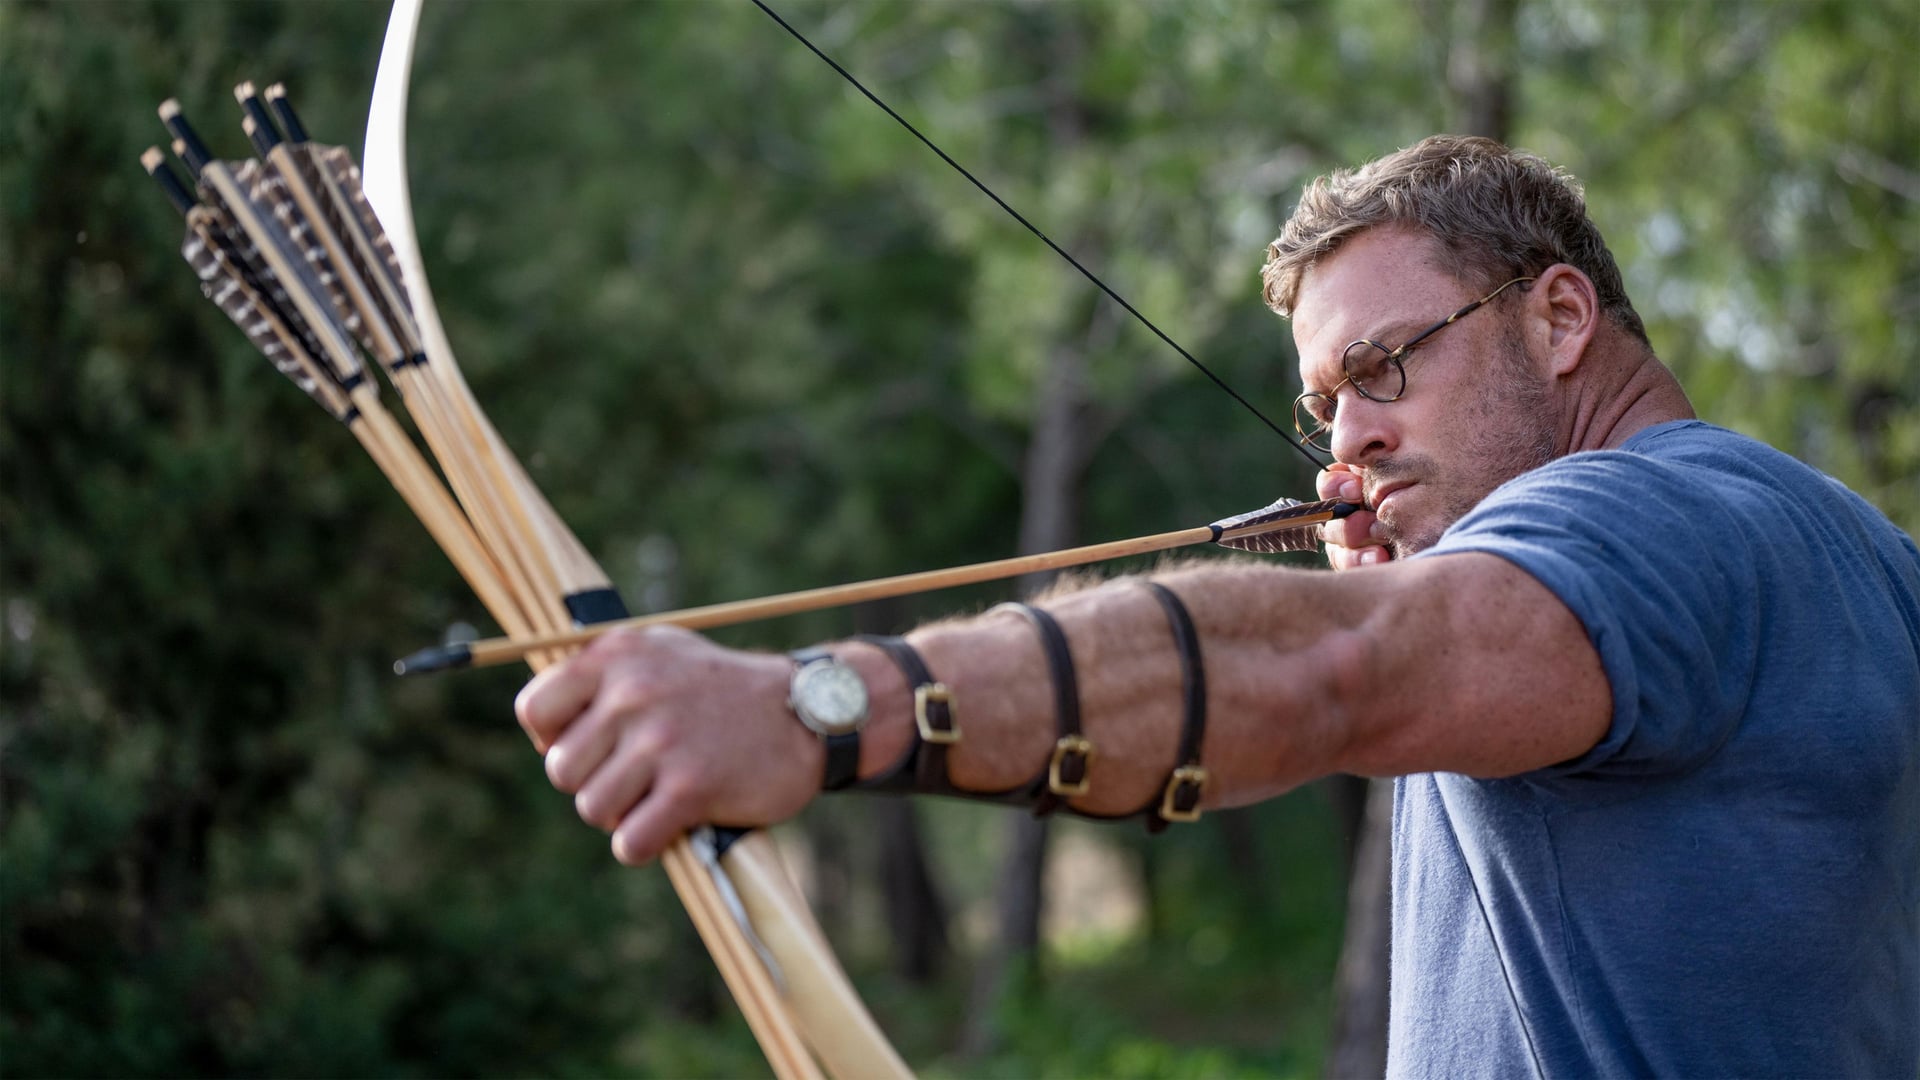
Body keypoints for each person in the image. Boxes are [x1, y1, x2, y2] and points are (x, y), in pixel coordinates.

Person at [515, 135, 1920, 1075]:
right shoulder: (1849, 554)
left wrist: (812, 707)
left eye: (1386, 369)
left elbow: (1328, 675)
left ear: (1560, 322)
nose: (1342, 446)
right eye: (1320, 408)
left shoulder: (1648, 519)